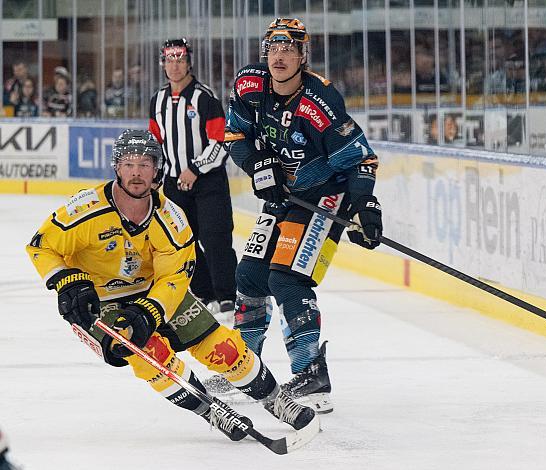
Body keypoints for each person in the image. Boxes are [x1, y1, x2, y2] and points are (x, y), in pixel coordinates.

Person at [26, 129, 317, 442]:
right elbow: (41, 246)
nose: (136, 172)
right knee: (146, 351)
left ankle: (275, 400)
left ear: (157, 170)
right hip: (102, 301)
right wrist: (67, 281)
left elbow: (174, 278)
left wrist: (150, 310)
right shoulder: (84, 210)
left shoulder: (171, 219)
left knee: (222, 346)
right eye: (128, 163)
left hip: (156, 292)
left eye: (144, 163)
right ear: (117, 168)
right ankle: (209, 410)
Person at [222, 18, 383, 414]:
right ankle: (245, 369)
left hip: (323, 197)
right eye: (273, 49)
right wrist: (260, 164)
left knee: (286, 279)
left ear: (302, 55)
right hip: (283, 198)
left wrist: (364, 205)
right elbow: (234, 137)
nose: (279, 56)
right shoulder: (249, 86)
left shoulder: (320, 102)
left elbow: (362, 159)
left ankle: (312, 374)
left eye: (289, 49)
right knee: (250, 276)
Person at [149, 38, 238, 321]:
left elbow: (221, 140)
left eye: (180, 59)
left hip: (208, 183)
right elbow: (156, 143)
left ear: (189, 63)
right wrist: (156, 177)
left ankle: (228, 297)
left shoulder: (204, 97)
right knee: (182, 242)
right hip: (175, 185)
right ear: (163, 64)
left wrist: (196, 169)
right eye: (169, 60)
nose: (174, 65)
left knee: (215, 239)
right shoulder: (158, 101)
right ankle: (206, 292)